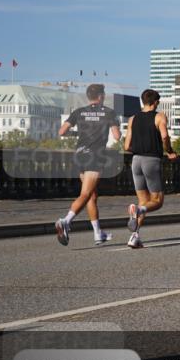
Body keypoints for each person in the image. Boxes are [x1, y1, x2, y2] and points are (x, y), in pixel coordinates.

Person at [54, 84, 121, 247]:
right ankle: (65, 221)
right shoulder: (108, 112)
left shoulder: (79, 112)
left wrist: (78, 133)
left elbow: (61, 132)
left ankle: (98, 233)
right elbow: (117, 136)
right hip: (95, 157)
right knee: (85, 194)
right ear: (101, 96)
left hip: (80, 155)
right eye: (104, 94)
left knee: (92, 195)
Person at [124, 89, 177, 248]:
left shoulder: (133, 119)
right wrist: (170, 151)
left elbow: (126, 146)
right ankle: (138, 210)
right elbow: (165, 137)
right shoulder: (159, 116)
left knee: (144, 201)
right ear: (155, 102)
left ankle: (134, 237)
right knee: (157, 201)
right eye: (158, 102)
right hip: (151, 161)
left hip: (136, 161)